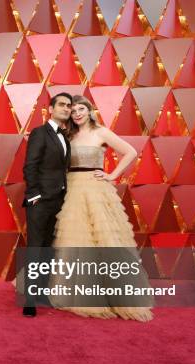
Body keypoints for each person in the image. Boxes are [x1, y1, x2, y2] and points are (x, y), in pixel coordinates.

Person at [49, 95, 154, 322]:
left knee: (104, 239)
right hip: (72, 190)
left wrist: (113, 175)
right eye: (73, 110)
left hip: (96, 189)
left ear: (89, 110)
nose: (77, 114)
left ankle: (115, 294)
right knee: (77, 240)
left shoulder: (101, 132)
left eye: (81, 109)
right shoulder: (69, 135)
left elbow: (131, 152)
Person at [20, 92, 72, 317]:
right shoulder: (40, 133)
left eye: (69, 105)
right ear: (50, 109)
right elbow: (30, 166)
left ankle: (41, 293)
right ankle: (29, 300)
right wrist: (34, 196)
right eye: (61, 104)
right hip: (40, 201)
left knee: (49, 250)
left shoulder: (65, 137)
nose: (67, 108)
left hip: (58, 201)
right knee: (35, 248)